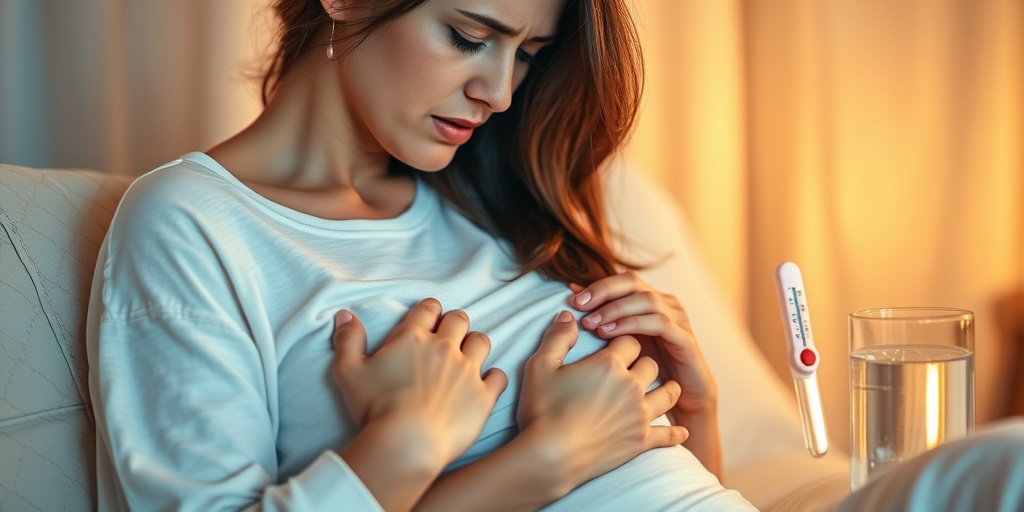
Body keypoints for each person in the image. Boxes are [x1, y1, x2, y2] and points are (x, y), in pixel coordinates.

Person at [86, 0, 756, 510]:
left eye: (528, 54)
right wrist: (514, 457)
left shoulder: (494, 194)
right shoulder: (190, 223)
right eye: (468, 37)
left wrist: (694, 410)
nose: (498, 92)